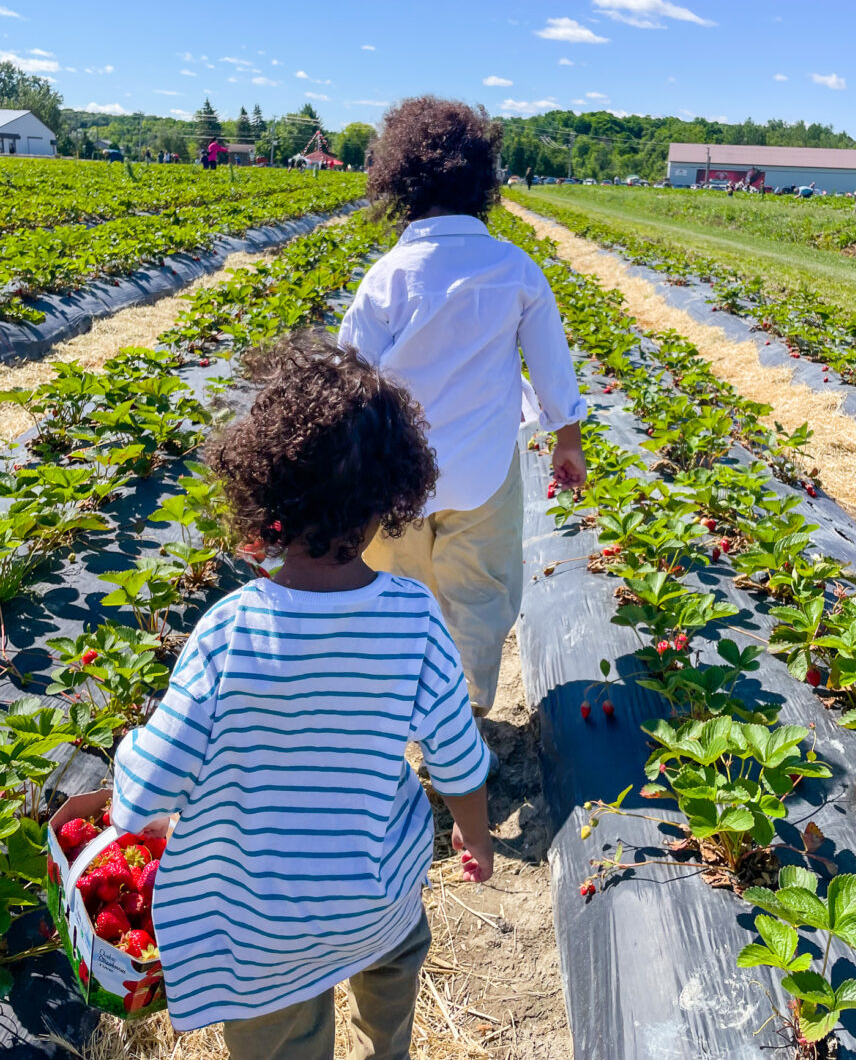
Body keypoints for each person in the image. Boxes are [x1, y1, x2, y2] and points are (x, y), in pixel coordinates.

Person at [110, 333, 493, 1056]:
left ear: (263, 501)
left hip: (258, 930)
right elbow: (457, 760)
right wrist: (474, 835)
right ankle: (390, 1044)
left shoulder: (228, 633)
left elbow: (146, 789)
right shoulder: (413, 617)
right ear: (391, 498)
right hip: (374, 897)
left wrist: (125, 777)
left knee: (281, 1032)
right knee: (395, 954)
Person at [339, 97, 587, 725]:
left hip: (395, 474)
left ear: (402, 185)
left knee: (399, 591)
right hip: (483, 470)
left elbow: (350, 375)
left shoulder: (389, 274)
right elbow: (551, 363)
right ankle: (468, 711)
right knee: (478, 594)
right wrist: (568, 440)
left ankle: (400, 709)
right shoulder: (514, 268)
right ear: (483, 184)